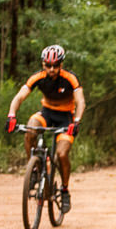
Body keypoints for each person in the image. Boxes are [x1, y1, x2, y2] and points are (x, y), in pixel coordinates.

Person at [6, 45, 85, 213]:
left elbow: (80, 101)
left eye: (55, 65)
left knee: (61, 154)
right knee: (31, 129)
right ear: (43, 64)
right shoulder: (38, 77)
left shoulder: (70, 78)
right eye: (48, 65)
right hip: (47, 113)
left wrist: (77, 121)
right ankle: (34, 169)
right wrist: (11, 115)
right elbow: (19, 96)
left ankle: (64, 190)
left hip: (65, 118)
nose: (51, 69)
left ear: (61, 65)